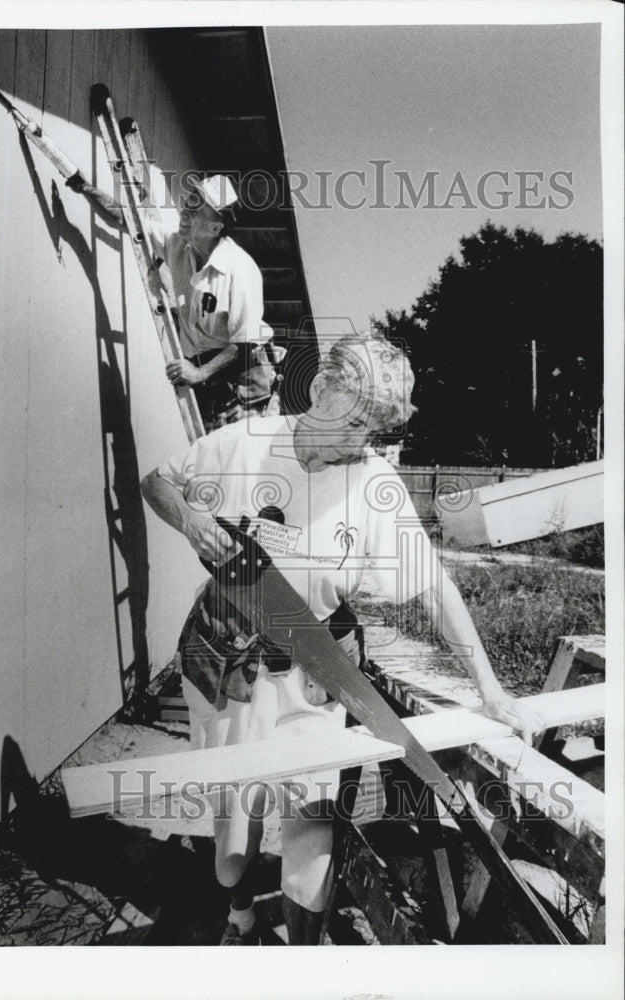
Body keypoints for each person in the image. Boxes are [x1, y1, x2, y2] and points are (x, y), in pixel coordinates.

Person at [140, 332, 544, 945]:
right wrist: (192, 519)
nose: (361, 442)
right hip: (228, 663)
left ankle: (303, 959)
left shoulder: (375, 482)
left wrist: (490, 690)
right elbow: (157, 482)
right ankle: (240, 910)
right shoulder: (243, 442)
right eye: (355, 422)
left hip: (315, 672)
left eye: (373, 431)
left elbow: (433, 587)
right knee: (232, 847)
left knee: (312, 831)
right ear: (320, 389)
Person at [68, 171, 282, 431]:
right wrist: (85, 187)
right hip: (209, 376)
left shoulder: (240, 269)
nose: (186, 210)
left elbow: (245, 343)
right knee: (210, 450)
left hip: (245, 374)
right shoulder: (176, 244)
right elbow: (126, 219)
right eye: (190, 200)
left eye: (197, 209)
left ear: (215, 227)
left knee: (239, 450)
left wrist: (200, 373)